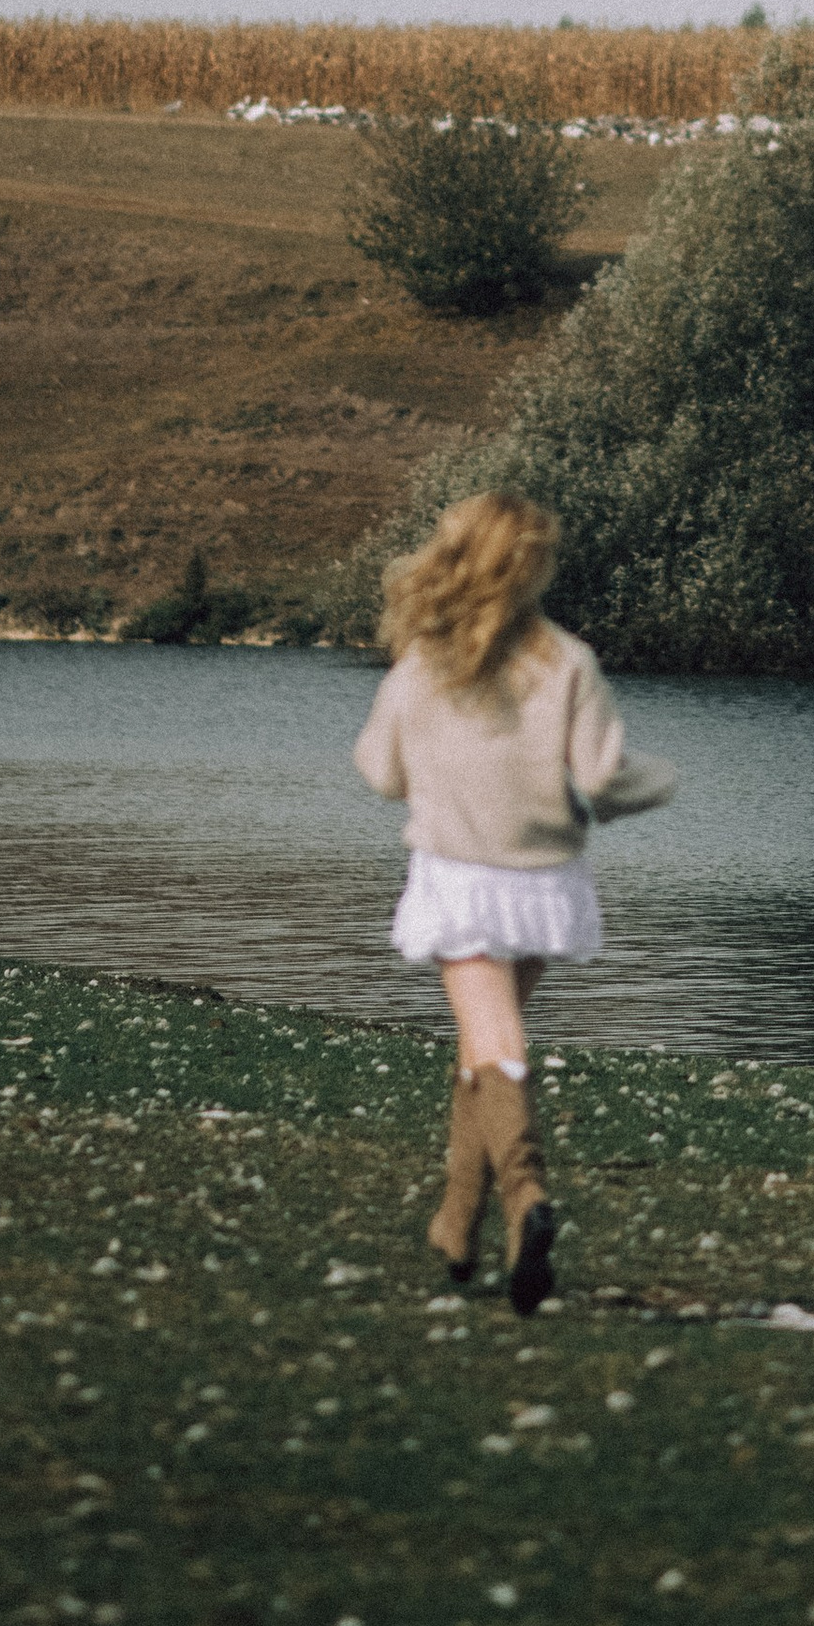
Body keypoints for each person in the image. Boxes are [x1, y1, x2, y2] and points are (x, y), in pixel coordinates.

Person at [353, 489, 675, 1316]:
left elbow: (381, 771)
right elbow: (602, 775)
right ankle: (457, 1222)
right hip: (544, 881)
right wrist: (664, 779)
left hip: (459, 875)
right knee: (483, 1045)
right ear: (532, 566)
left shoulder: (423, 661)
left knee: (493, 1038)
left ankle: (526, 1194)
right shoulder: (568, 660)